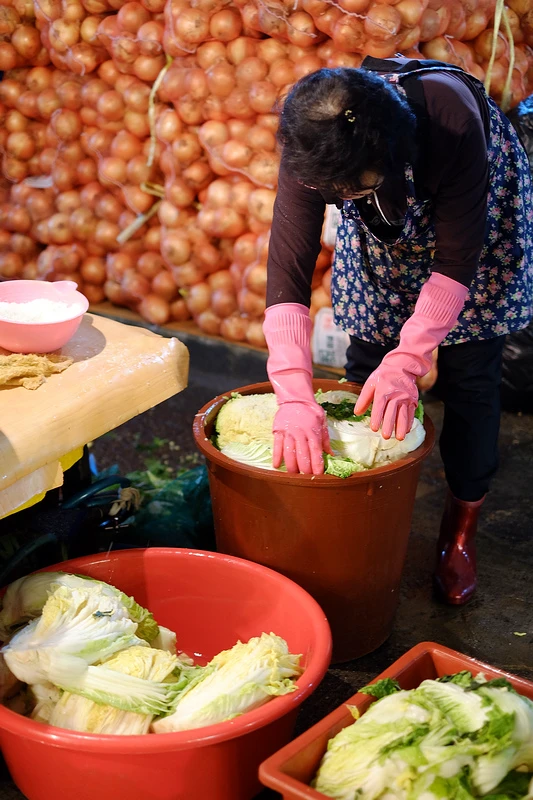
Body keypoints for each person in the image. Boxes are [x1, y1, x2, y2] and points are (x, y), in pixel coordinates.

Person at [262, 56, 533, 606]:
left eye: (351, 194)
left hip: (475, 228)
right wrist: (292, 391)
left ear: (385, 161)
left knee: (470, 378)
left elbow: (457, 264)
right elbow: (288, 270)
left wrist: (409, 362)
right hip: (386, 233)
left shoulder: (451, 122)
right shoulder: (311, 137)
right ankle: (365, 515)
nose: (337, 201)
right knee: (367, 368)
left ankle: (460, 530)